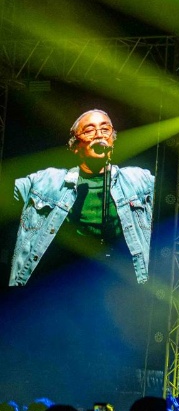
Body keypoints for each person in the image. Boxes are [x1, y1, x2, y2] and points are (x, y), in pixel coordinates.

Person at [10, 109, 155, 286]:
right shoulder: (47, 181)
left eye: (105, 129)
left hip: (119, 283)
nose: (99, 135)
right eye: (89, 130)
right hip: (59, 282)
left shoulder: (138, 179)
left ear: (112, 141)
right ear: (75, 146)